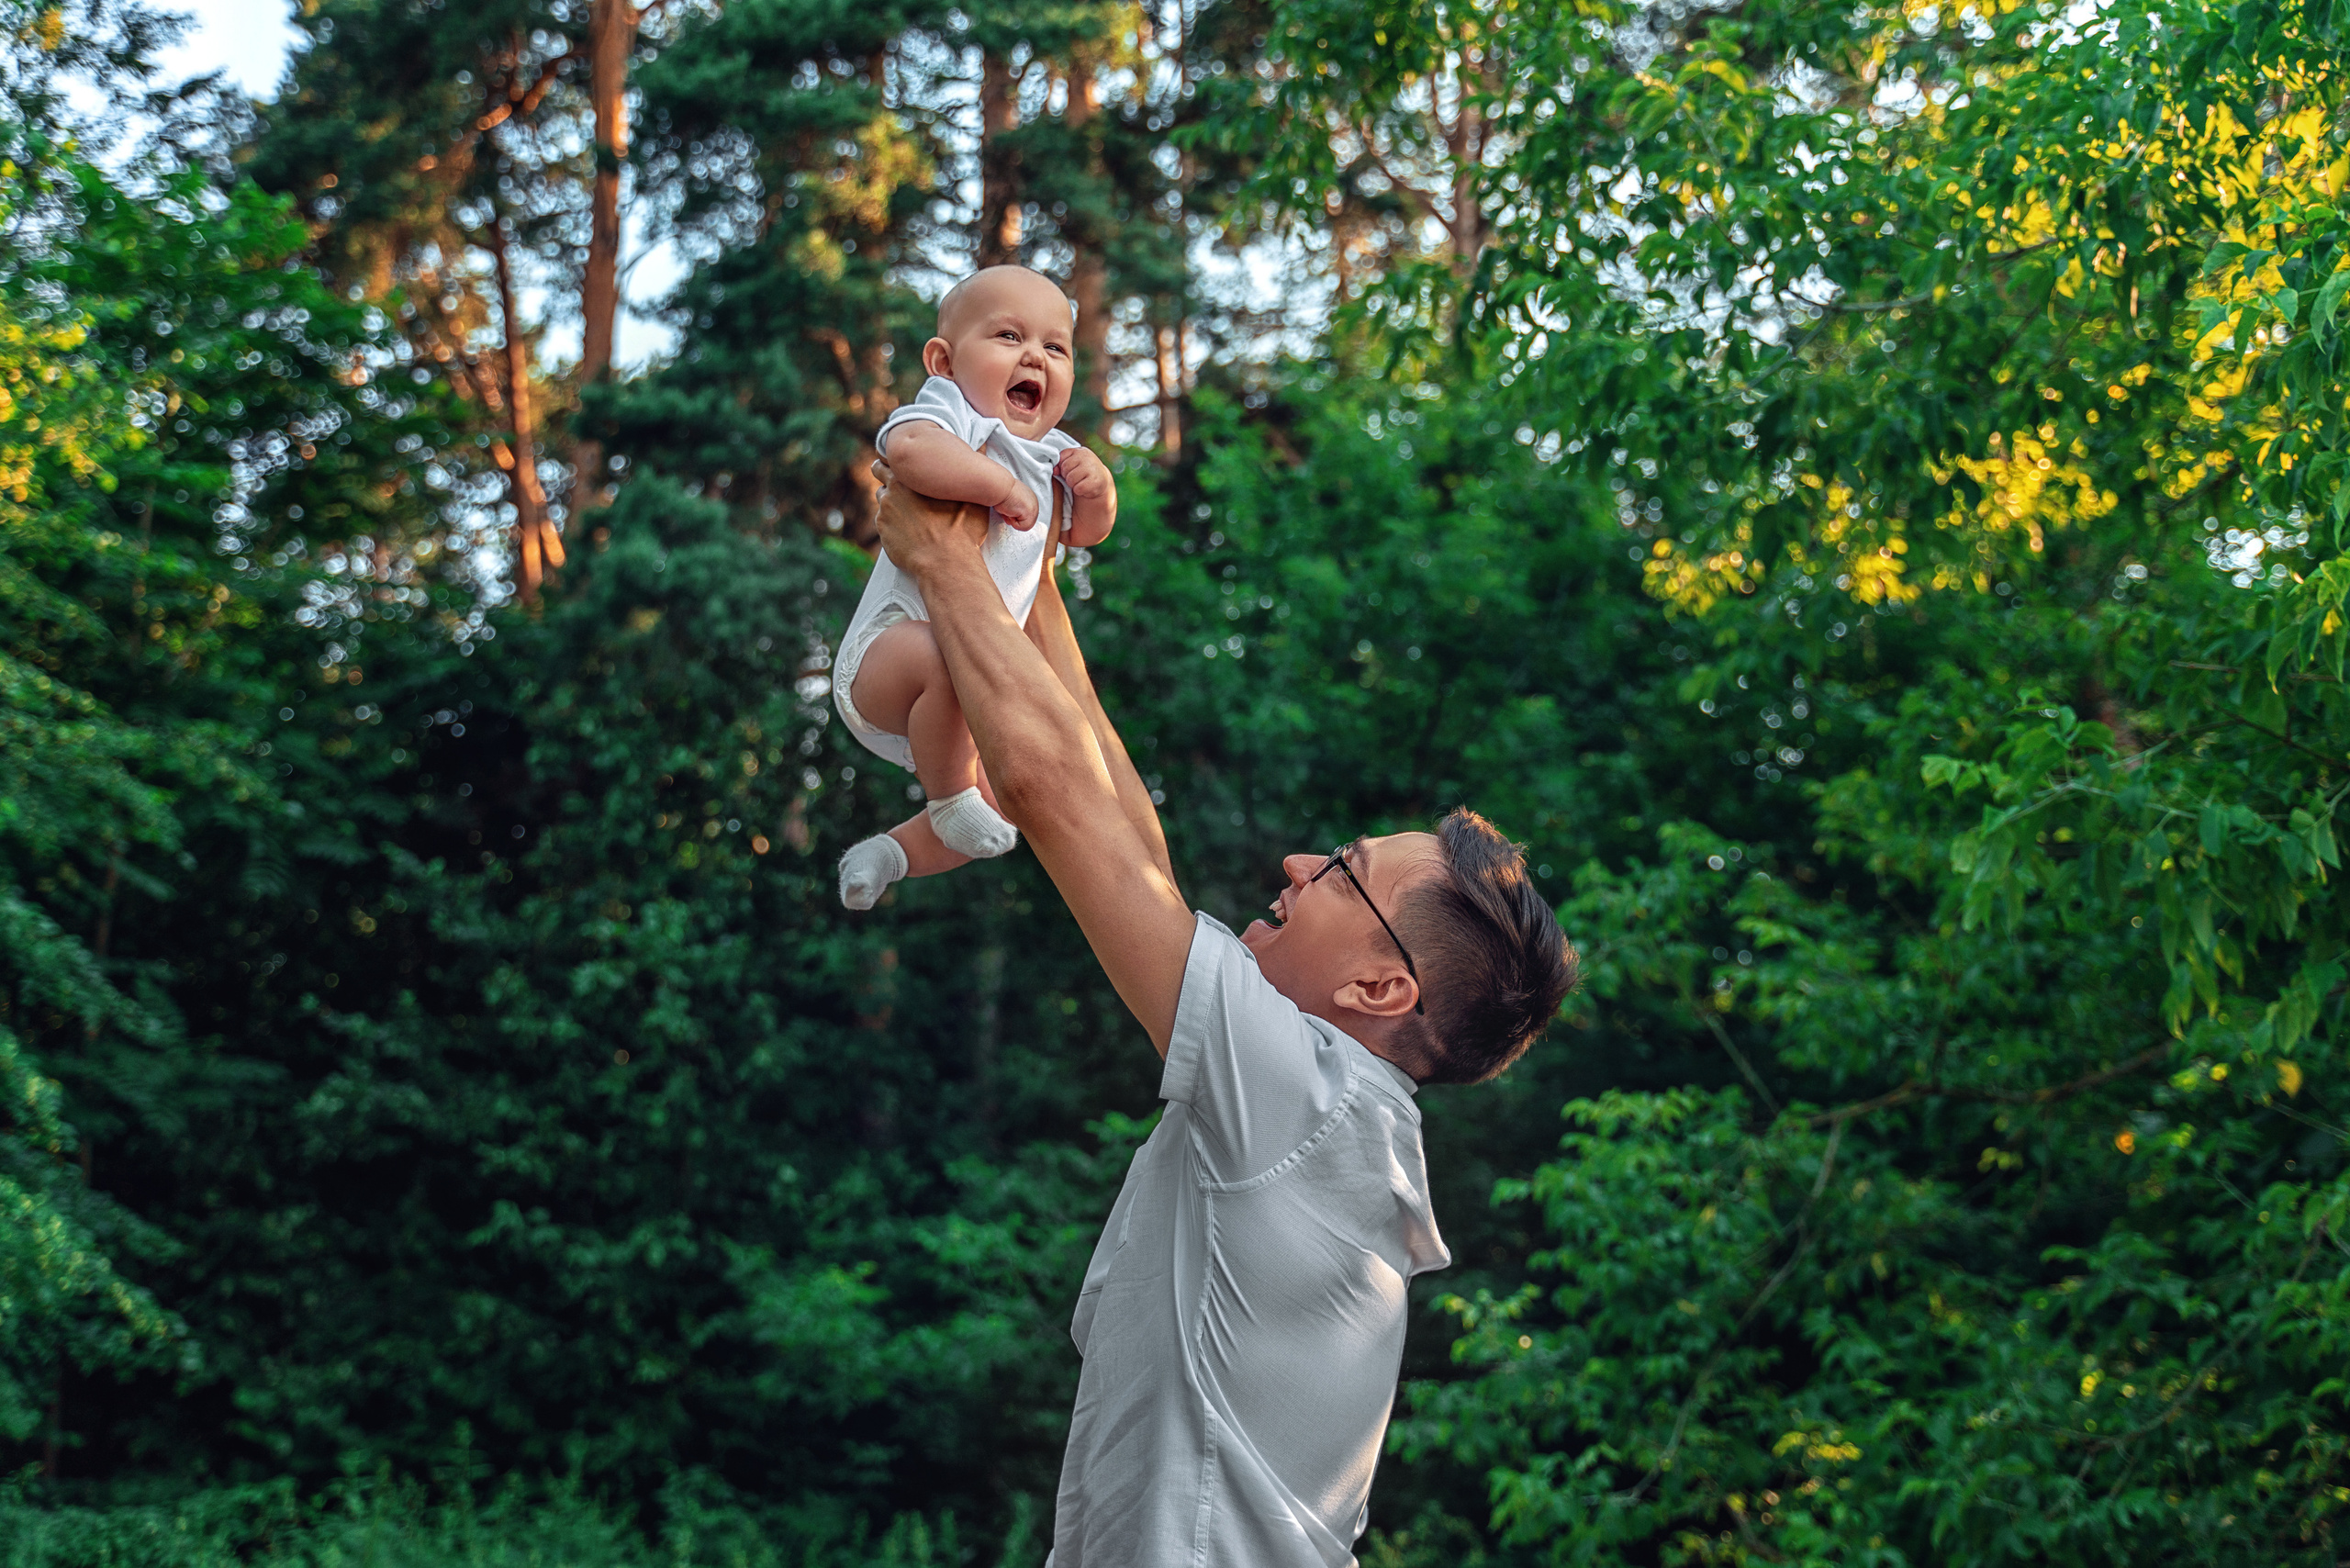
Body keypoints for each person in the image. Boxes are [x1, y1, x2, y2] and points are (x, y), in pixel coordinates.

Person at [868, 465, 1579, 1568]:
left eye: (1343, 872)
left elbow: (1051, 790)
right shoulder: (1334, 1122)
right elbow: (1127, 835)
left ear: (1381, 990)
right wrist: (1029, 564)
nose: (1300, 862)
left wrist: (939, 561)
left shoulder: (1313, 1104)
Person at [833, 265, 1119, 910]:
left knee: (1018, 795)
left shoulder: (1055, 455)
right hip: (888, 658)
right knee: (943, 650)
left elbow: (1085, 534)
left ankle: (888, 855)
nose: (1033, 358)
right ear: (944, 360)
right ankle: (948, 795)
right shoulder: (955, 411)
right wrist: (998, 487)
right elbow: (909, 451)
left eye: (1055, 347)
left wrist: (1099, 490)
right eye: (1009, 336)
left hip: (967, 685)